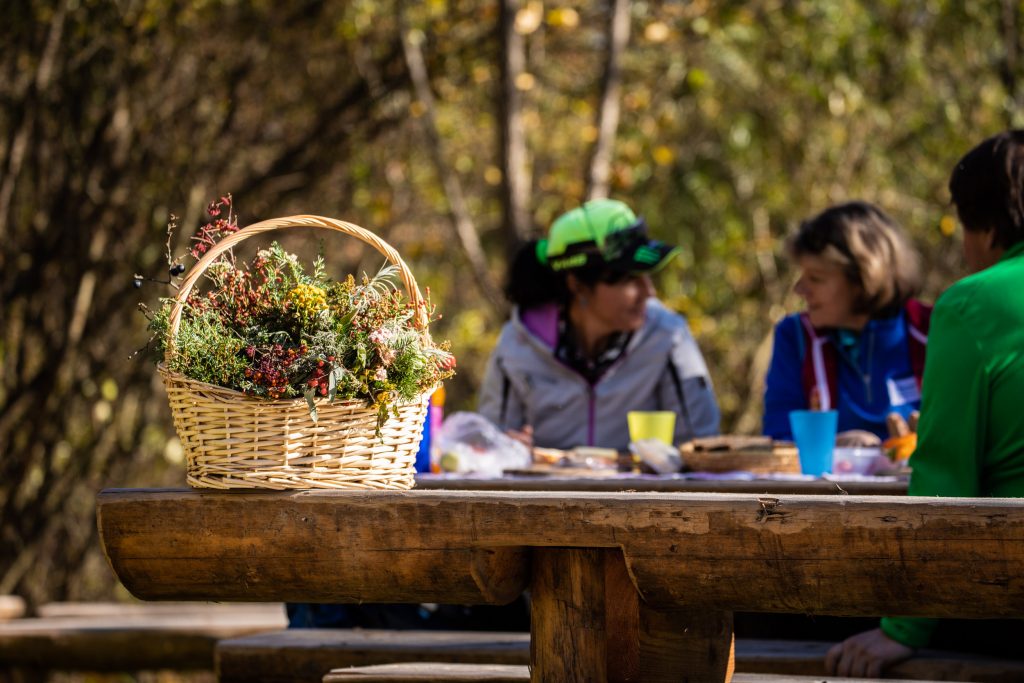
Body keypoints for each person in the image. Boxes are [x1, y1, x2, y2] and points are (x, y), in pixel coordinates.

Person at [826, 130, 1024, 677]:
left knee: (801, 620)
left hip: (1008, 597)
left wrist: (903, 628)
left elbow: (945, 477)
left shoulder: (970, 305)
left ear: (987, 226)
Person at [478, 198, 720, 450]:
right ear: (577, 285)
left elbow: (701, 447)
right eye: (629, 280)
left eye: (647, 277)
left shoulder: (667, 336)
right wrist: (506, 447)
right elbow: (488, 447)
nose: (649, 292)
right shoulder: (517, 346)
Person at [763, 201, 930, 446]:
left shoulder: (932, 330)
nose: (799, 289)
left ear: (862, 279)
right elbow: (778, 438)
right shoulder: (795, 337)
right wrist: (833, 447)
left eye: (815, 278)